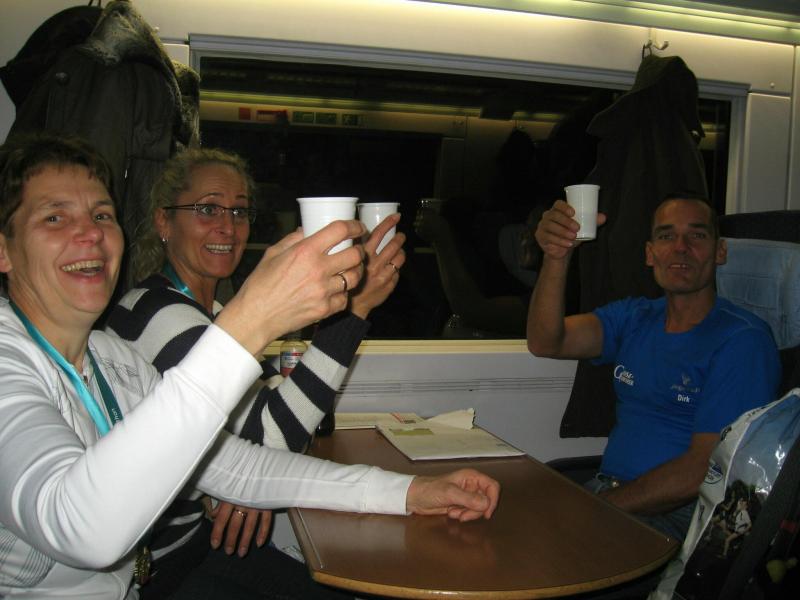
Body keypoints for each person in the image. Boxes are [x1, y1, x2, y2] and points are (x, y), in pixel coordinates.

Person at [0, 133, 500, 599]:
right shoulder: (11, 359)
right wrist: (255, 318)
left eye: (102, 215)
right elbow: (82, 531)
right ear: (4, 250)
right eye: (55, 218)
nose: (90, 233)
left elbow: (238, 465)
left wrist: (412, 492)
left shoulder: (111, 360)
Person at [104, 147, 406, 599]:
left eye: (239, 211)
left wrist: (249, 486)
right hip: (159, 572)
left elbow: (277, 427)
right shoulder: (158, 314)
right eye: (208, 209)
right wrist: (354, 311)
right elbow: (276, 435)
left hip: (202, 543)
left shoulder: (214, 313)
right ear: (164, 222)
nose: (227, 226)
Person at [527, 194, 780, 542]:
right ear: (650, 254)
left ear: (720, 251)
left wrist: (597, 507)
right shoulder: (634, 317)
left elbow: (704, 469)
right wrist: (557, 257)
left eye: (697, 235)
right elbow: (545, 341)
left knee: (543, 551)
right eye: (666, 236)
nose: (681, 247)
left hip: (676, 515)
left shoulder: (742, 340)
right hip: (610, 495)